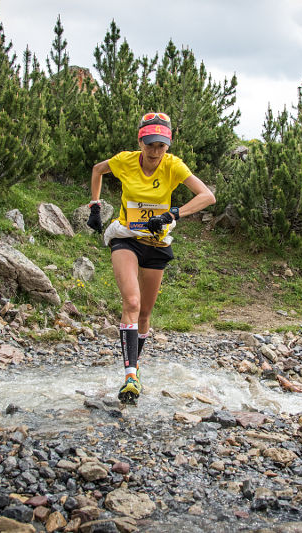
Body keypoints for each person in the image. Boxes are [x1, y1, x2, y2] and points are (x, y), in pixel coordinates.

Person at [86, 112, 216, 404]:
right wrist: (95, 205)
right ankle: (130, 375)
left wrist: (173, 213)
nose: (155, 151)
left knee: (145, 313)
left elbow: (208, 196)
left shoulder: (173, 166)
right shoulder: (125, 161)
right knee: (131, 302)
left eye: (161, 145)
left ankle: (135, 366)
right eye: (149, 144)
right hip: (126, 238)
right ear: (140, 141)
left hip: (157, 244)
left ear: (168, 145)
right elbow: (97, 169)